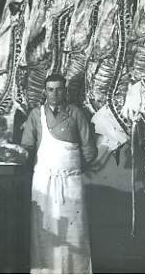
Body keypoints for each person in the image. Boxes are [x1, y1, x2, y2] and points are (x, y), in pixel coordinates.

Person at [21, 73, 97, 274]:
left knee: (74, 233)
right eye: (50, 89)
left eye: (59, 89)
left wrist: (72, 169)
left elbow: (89, 150)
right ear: (45, 92)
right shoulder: (36, 115)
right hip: (43, 182)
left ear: (65, 91)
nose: (55, 94)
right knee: (45, 232)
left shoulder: (77, 114)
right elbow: (26, 146)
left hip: (70, 181)